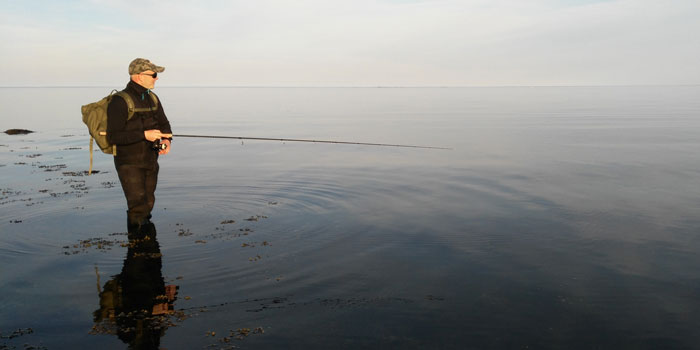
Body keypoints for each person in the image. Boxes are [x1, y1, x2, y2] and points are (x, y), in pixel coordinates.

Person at [107, 58, 172, 232]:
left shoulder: (153, 98)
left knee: (149, 202)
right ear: (138, 76)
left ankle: (148, 249)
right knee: (137, 207)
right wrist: (144, 135)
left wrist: (167, 140)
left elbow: (164, 124)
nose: (156, 78)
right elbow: (113, 137)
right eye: (154, 75)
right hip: (128, 163)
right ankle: (137, 247)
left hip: (151, 160)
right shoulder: (119, 101)